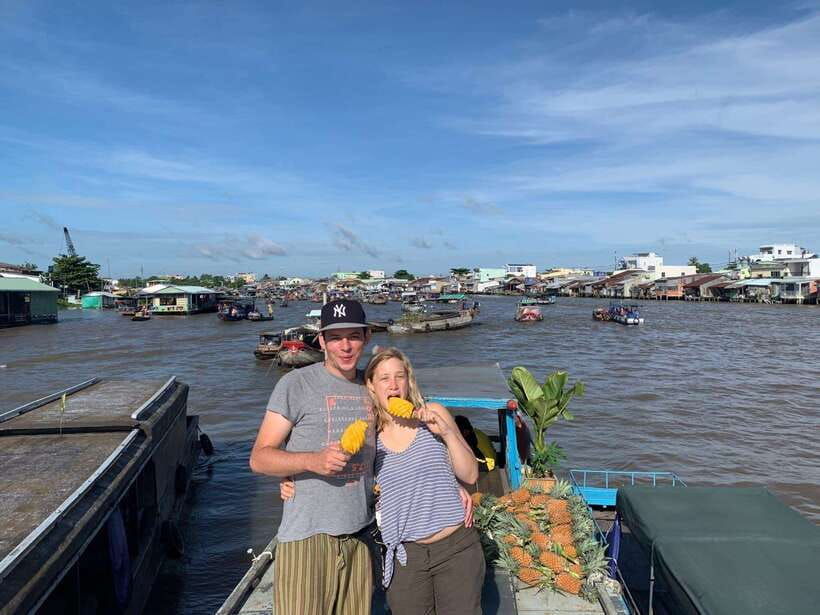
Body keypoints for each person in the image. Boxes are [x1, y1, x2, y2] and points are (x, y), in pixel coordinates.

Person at [249, 299, 376, 615]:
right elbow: (260, 458)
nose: (345, 346)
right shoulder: (295, 383)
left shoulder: (375, 387)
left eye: (353, 336)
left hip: (360, 536)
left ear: (367, 337)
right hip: (306, 538)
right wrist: (310, 461)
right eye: (335, 338)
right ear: (321, 341)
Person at [366, 347, 484, 615]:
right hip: (407, 556)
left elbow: (470, 475)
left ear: (409, 381)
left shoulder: (433, 412)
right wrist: (291, 479)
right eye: (384, 378)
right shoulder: (369, 435)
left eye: (400, 376)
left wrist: (446, 433)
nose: (393, 385)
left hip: (456, 547)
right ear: (372, 386)